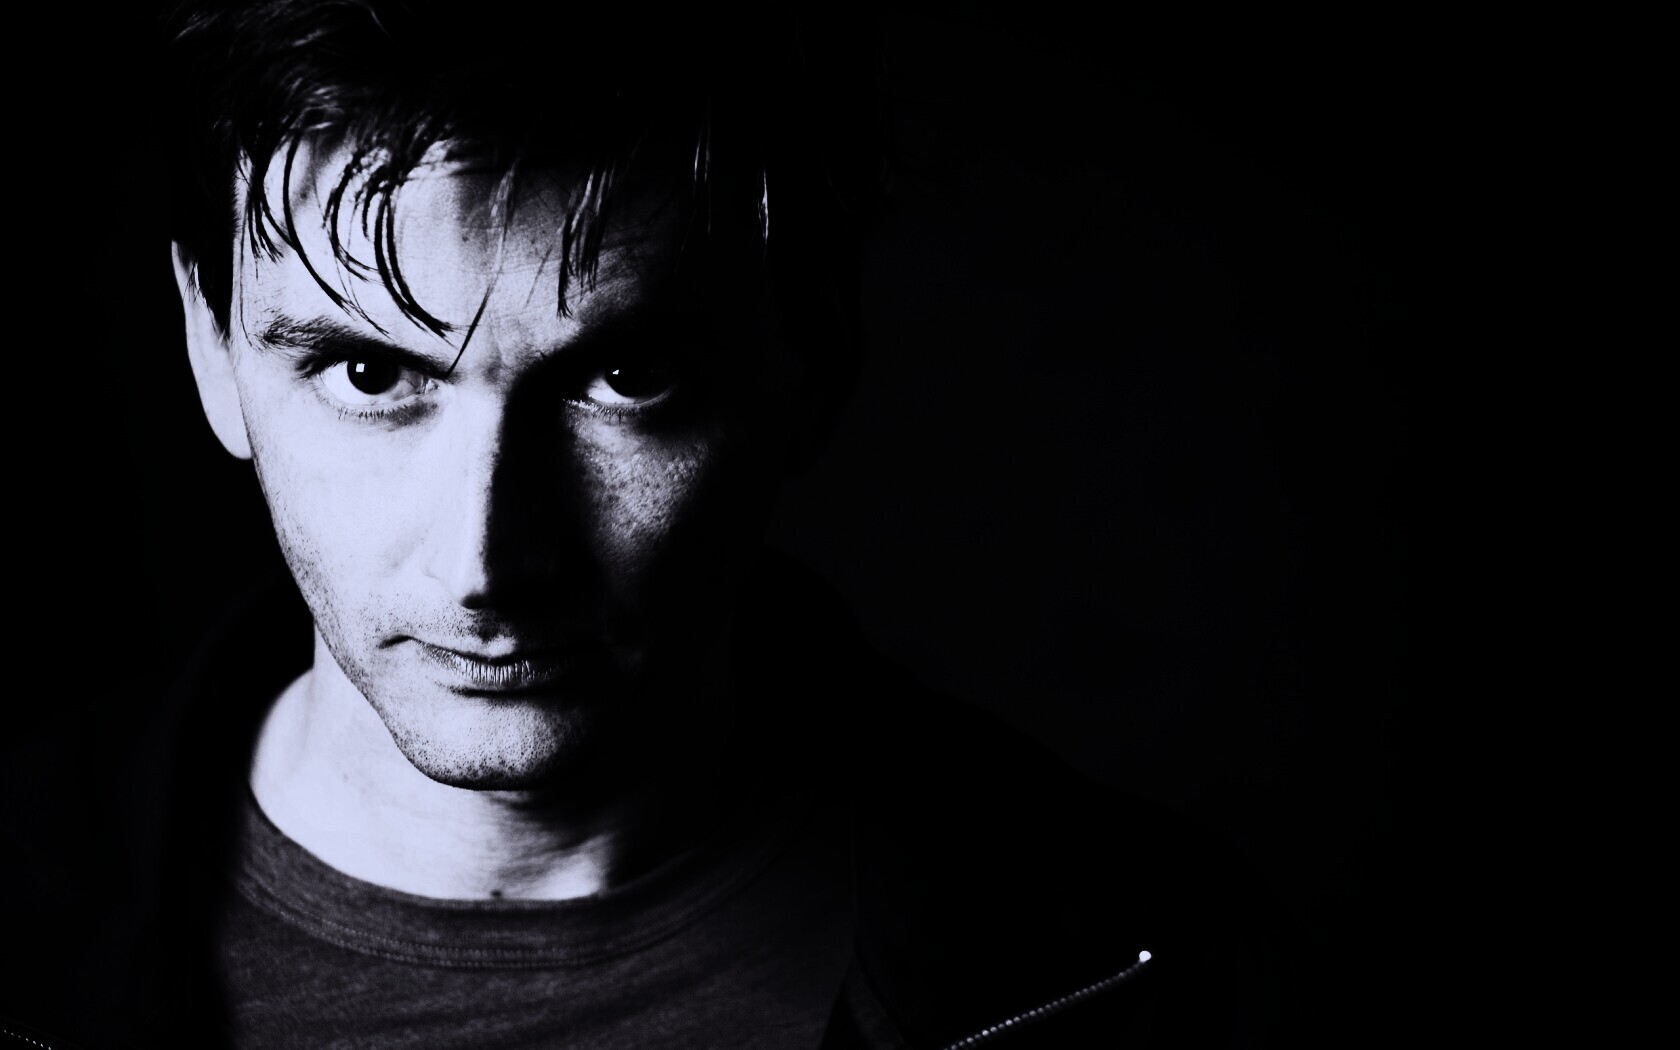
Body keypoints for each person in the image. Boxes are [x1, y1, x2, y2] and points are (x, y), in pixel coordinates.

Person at [1, 2, 1278, 1046]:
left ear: (813, 366)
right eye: (371, 374)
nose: (486, 562)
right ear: (210, 348)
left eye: (625, 380)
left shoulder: (1155, 975)